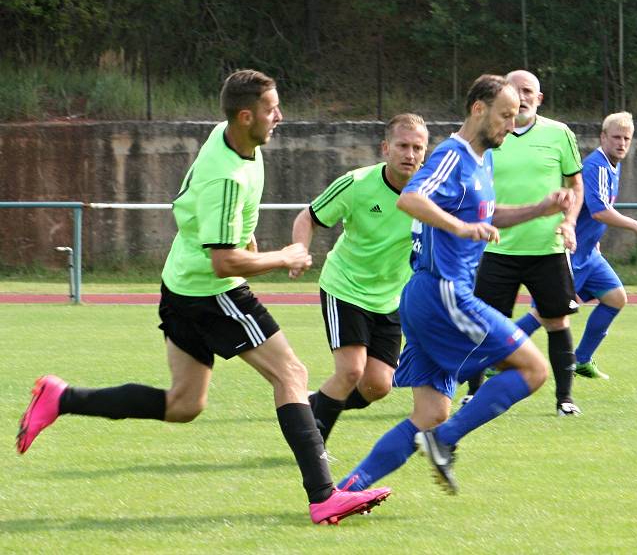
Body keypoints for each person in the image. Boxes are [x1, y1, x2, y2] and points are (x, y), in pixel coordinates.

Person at [15, 69, 390, 525]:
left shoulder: (233, 138)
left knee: (184, 404)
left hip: (180, 285)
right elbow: (223, 263)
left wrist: (245, 236)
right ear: (246, 115)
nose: (280, 116)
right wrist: (282, 255)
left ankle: (62, 398)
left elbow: (207, 217)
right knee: (291, 372)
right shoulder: (227, 175)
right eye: (272, 109)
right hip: (213, 291)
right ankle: (323, 496)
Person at [335, 74, 573, 495]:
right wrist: (460, 228)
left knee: (429, 414)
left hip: (428, 297)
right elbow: (411, 198)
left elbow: (486, 213)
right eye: (503, 115)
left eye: (515, 116)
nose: (510, 125)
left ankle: (346, 490)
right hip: (444, 291)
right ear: (478, 110)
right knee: (533, 370)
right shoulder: (451, 154)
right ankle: (443, 443)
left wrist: (539, 208)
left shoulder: (484, 160)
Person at [291, 113, 428, 443]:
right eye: (402, 146)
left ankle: (315, 404)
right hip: (345, 288)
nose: (410, 154)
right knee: (351, 370)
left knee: (377, 385)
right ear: (385, 148)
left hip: (391, 297)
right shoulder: (356, 184)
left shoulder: (432, 193)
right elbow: (308, 217)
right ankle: (312, 446)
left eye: (417, 148)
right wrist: (299, 250)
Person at [466, 69, 585, 417]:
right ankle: (474, 392)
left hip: (546, 249)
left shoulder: (559, 133)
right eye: (515, 91)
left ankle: (565, 398)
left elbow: (575, 186)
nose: (523, 97)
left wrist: (569, 222)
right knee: (484, 323)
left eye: (528, 91)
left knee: (557, 321)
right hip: (495, 247)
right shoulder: (488, 136)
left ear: (539, 98)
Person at [518, 111, 637, 379]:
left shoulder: (611, 166)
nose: (621, 143)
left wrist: (595, 242)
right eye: (616, 137)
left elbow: (590, 213)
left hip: (588, 252)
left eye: (626, 138)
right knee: (545, 313)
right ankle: (495, 358)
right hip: (569, 251)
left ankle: (581, 360)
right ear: (602, 137)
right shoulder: (596, 166)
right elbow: (599, 212)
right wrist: (636, 225)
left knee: (616, 298)